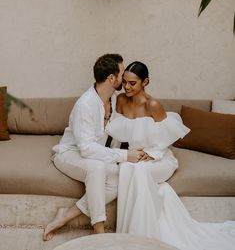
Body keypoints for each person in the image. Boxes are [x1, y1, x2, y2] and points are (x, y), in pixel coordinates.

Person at [107, 61, 235, 250]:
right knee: (126, 168)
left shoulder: (153, 105)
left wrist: (151, 154)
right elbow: (116, 133)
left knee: (140, 173)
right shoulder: (121, 100)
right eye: (124, 82)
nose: (126, 87)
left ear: (145, 82)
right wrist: (116, 155)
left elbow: (165, 139)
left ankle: (143, 240)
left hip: (159, 158)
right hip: (135, 156)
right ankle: (128, 235)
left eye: (132, 83)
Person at [43, 54, 145, 241]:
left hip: (91, 155)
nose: (125, 77)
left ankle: (66, 215)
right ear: (111, 78)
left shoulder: (114, 99)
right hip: (69, 154)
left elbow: (119, 130)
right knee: (97, 168)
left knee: (119, 176)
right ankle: (99, 231)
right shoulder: (85, 104)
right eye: (122, 73)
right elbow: (86, 149)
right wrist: (124, 155)